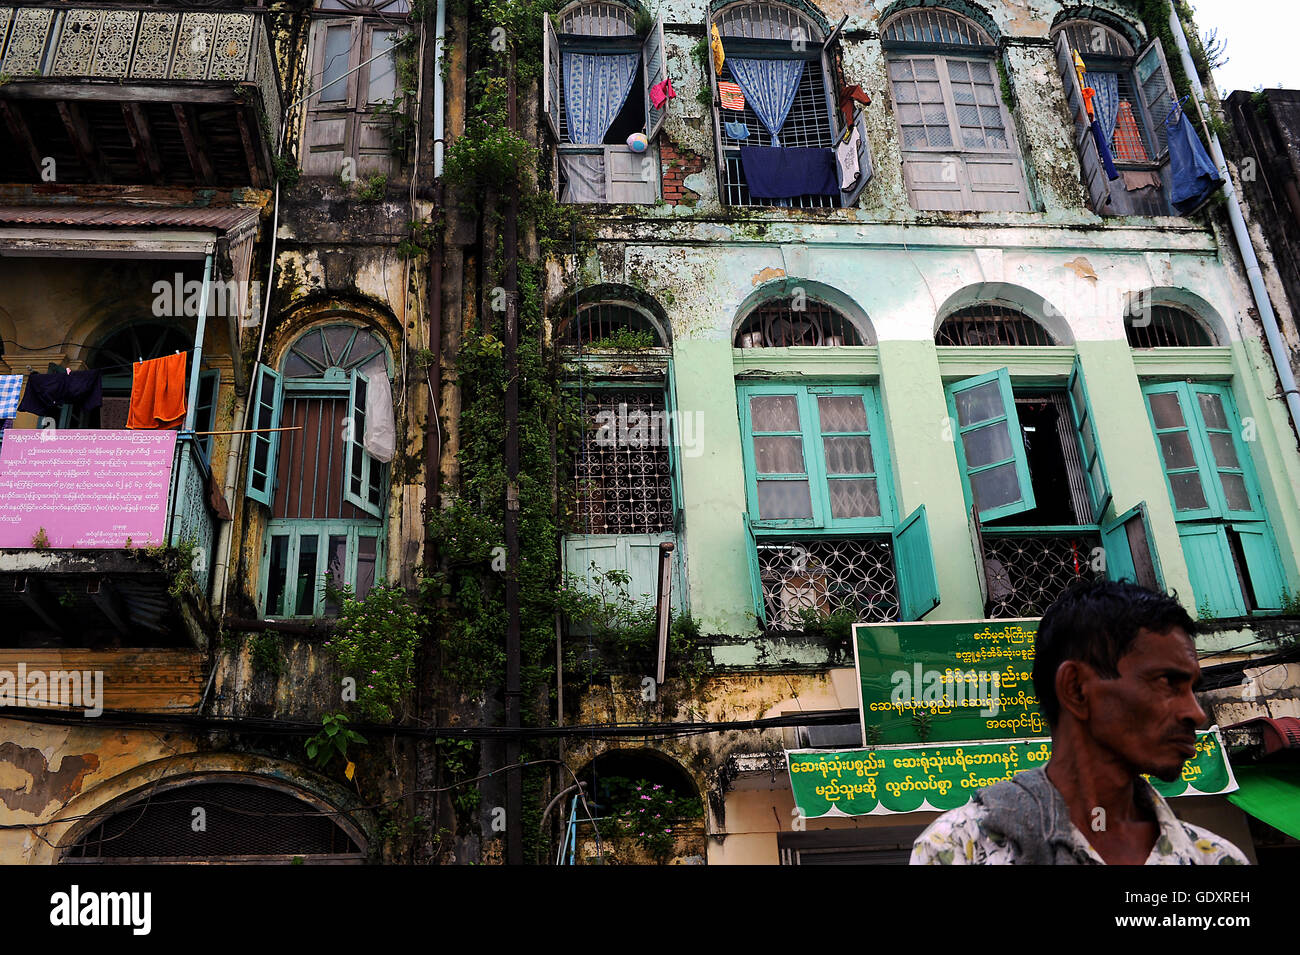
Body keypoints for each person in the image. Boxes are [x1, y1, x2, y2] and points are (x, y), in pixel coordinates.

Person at [910, 580, 1248, 865]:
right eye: (1165, 682)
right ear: (1077, 689)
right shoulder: (960, 849)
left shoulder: (1216, 858)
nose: (1196, 712)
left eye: (1192, 689)